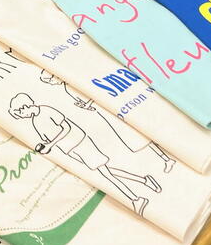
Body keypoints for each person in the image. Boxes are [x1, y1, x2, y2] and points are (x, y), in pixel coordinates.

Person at [9, 92, 160, 215]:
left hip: (80, 143)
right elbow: (47, 138)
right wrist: (45, 145)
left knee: (105, 173)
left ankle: (136, 199)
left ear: (25, 106)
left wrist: (51, 144)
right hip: (71, 150)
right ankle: (144, 180)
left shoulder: (47, 111)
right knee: (105, 170)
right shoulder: (35, 122)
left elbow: (66, 128)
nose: (22, 116)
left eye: (20, 113)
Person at [38, 71, 176, 172]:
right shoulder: (67, 88)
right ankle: (166, 158)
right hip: (105, 113)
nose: (54, 80)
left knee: (137, 134)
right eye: (50, 80)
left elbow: (94, 93)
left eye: (51, 77)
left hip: (111, 108)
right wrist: (86, 106)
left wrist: (88, 104)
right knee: (135, 137)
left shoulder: (71, 80)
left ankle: (167, 157)